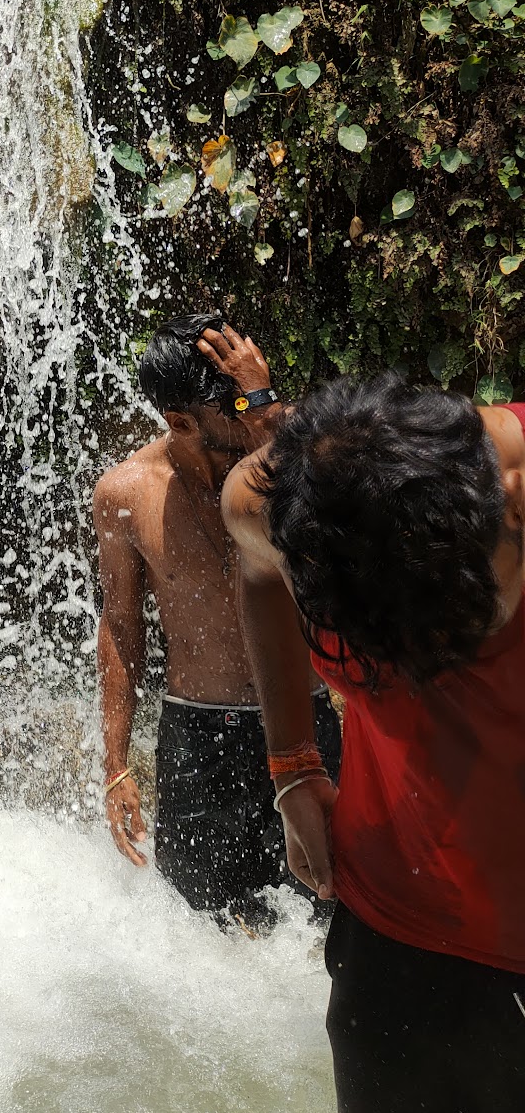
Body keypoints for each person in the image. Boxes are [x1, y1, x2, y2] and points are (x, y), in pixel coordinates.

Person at [224, 374, 525, 1113]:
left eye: (450, 631)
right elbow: (256, 567)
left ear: (514, 503)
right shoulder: (292, 502)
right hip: (397, 930)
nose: (427, 664)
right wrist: (292, 766)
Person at [93, 313, 340, 921]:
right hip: (198, 743)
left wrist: (263, 404)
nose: (248, 425)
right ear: (179, 421)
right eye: (233, 414)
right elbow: (122, 629)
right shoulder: (125, 495)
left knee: (335, 921)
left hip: (305, 725)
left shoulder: (280, 464)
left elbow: (336, 490)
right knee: (203, 938)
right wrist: (116, 764)